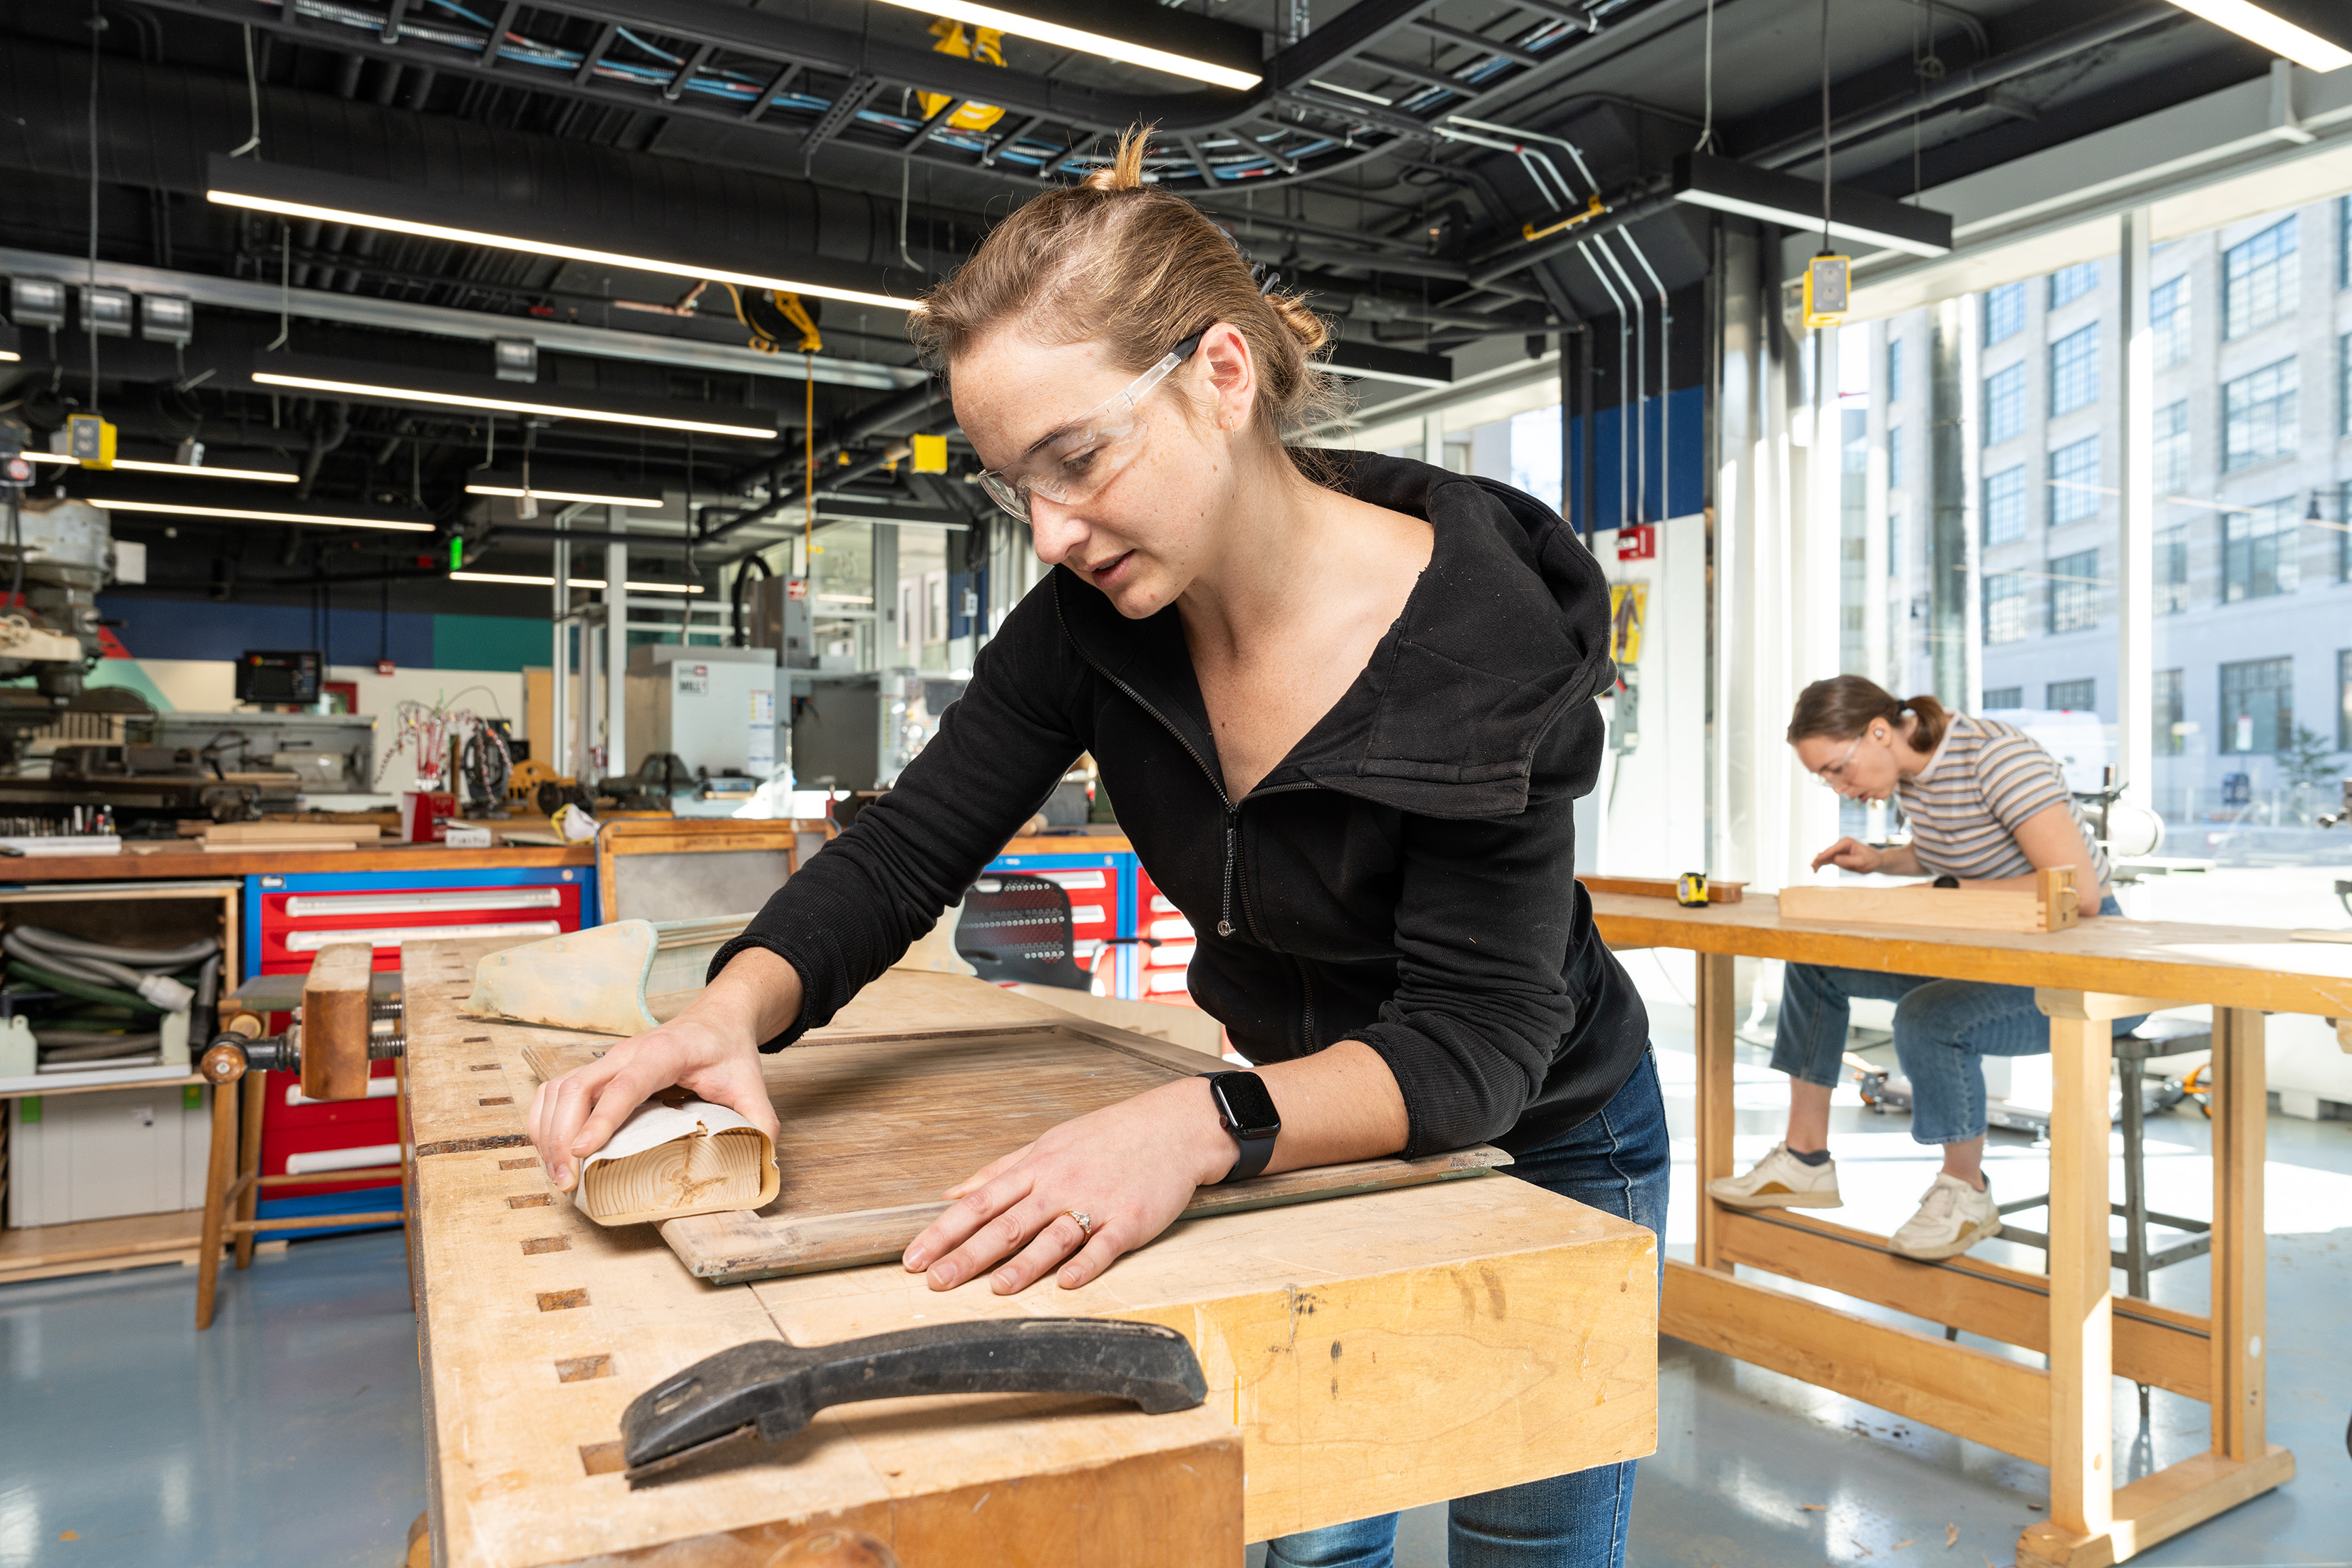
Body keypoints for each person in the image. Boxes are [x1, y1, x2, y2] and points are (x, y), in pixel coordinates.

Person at [526, 129, 1663, 1568]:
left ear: (1222, 373)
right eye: (1016, 485)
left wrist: (1197, 1124)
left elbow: (1479, 1042)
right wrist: (717, 1016)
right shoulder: (1098, 622)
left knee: (1527, 1520)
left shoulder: (1484, 643)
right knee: (1308, 1521)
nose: (1053, 533)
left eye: (1078, 457)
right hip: (1287, 1121)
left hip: (1551, 1117)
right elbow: (907, 851)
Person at [1708, 676, 2136, 1261]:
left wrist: (1945, 890)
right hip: (1992, 955)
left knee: (1930, 1016)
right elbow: (1959, 851)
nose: (1838, 787)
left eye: (1838, 769)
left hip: (2084, 968)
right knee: (1815, 963)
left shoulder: (1997, 758)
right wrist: (1882, 861)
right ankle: (1805, 1159)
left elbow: (2079, 892)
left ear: (1879, 732)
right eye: (1826, 778)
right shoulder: (1915, 776)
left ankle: (1967, 1192)